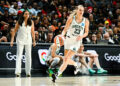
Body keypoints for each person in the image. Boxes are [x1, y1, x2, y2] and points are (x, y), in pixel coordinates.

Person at [52, 5, 94, 82]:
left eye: (82, 10)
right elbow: (65, 29)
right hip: (68, 40)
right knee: (65, 59)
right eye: (80, 10)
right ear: (77, 10)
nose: (81, 12)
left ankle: (57, 74)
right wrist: (62, 35)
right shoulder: (71, 19)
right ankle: (76, 64)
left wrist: (81, 36)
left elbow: (87, 32)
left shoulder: (86, 21)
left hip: (76, 42)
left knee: (67, 58)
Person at [10, 9, 36, 77]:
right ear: (23, 15)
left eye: (28, 14)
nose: (27, 15)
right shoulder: (19, 22)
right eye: (26, 14)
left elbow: (33, 32)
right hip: (20, 40)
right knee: (19, 55)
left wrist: (34, 41)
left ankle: (28, 72)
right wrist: (12, 40)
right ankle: (18, 72)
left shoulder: (31, 22)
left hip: (28, 40)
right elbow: (14, 31)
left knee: (28, 56)